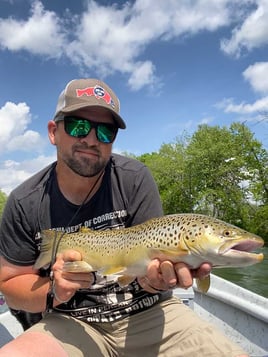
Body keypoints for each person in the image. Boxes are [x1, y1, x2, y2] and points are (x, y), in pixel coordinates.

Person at [0, 78, 248, 357]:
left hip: (150, 313)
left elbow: (148, 273)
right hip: (68, 321)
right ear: (53, 132)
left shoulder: (135, 178)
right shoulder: (24, 202)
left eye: (106, 131)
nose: (92, 139)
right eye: (78, 125)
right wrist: (55, 290)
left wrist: (155, 279)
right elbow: (10, 286)